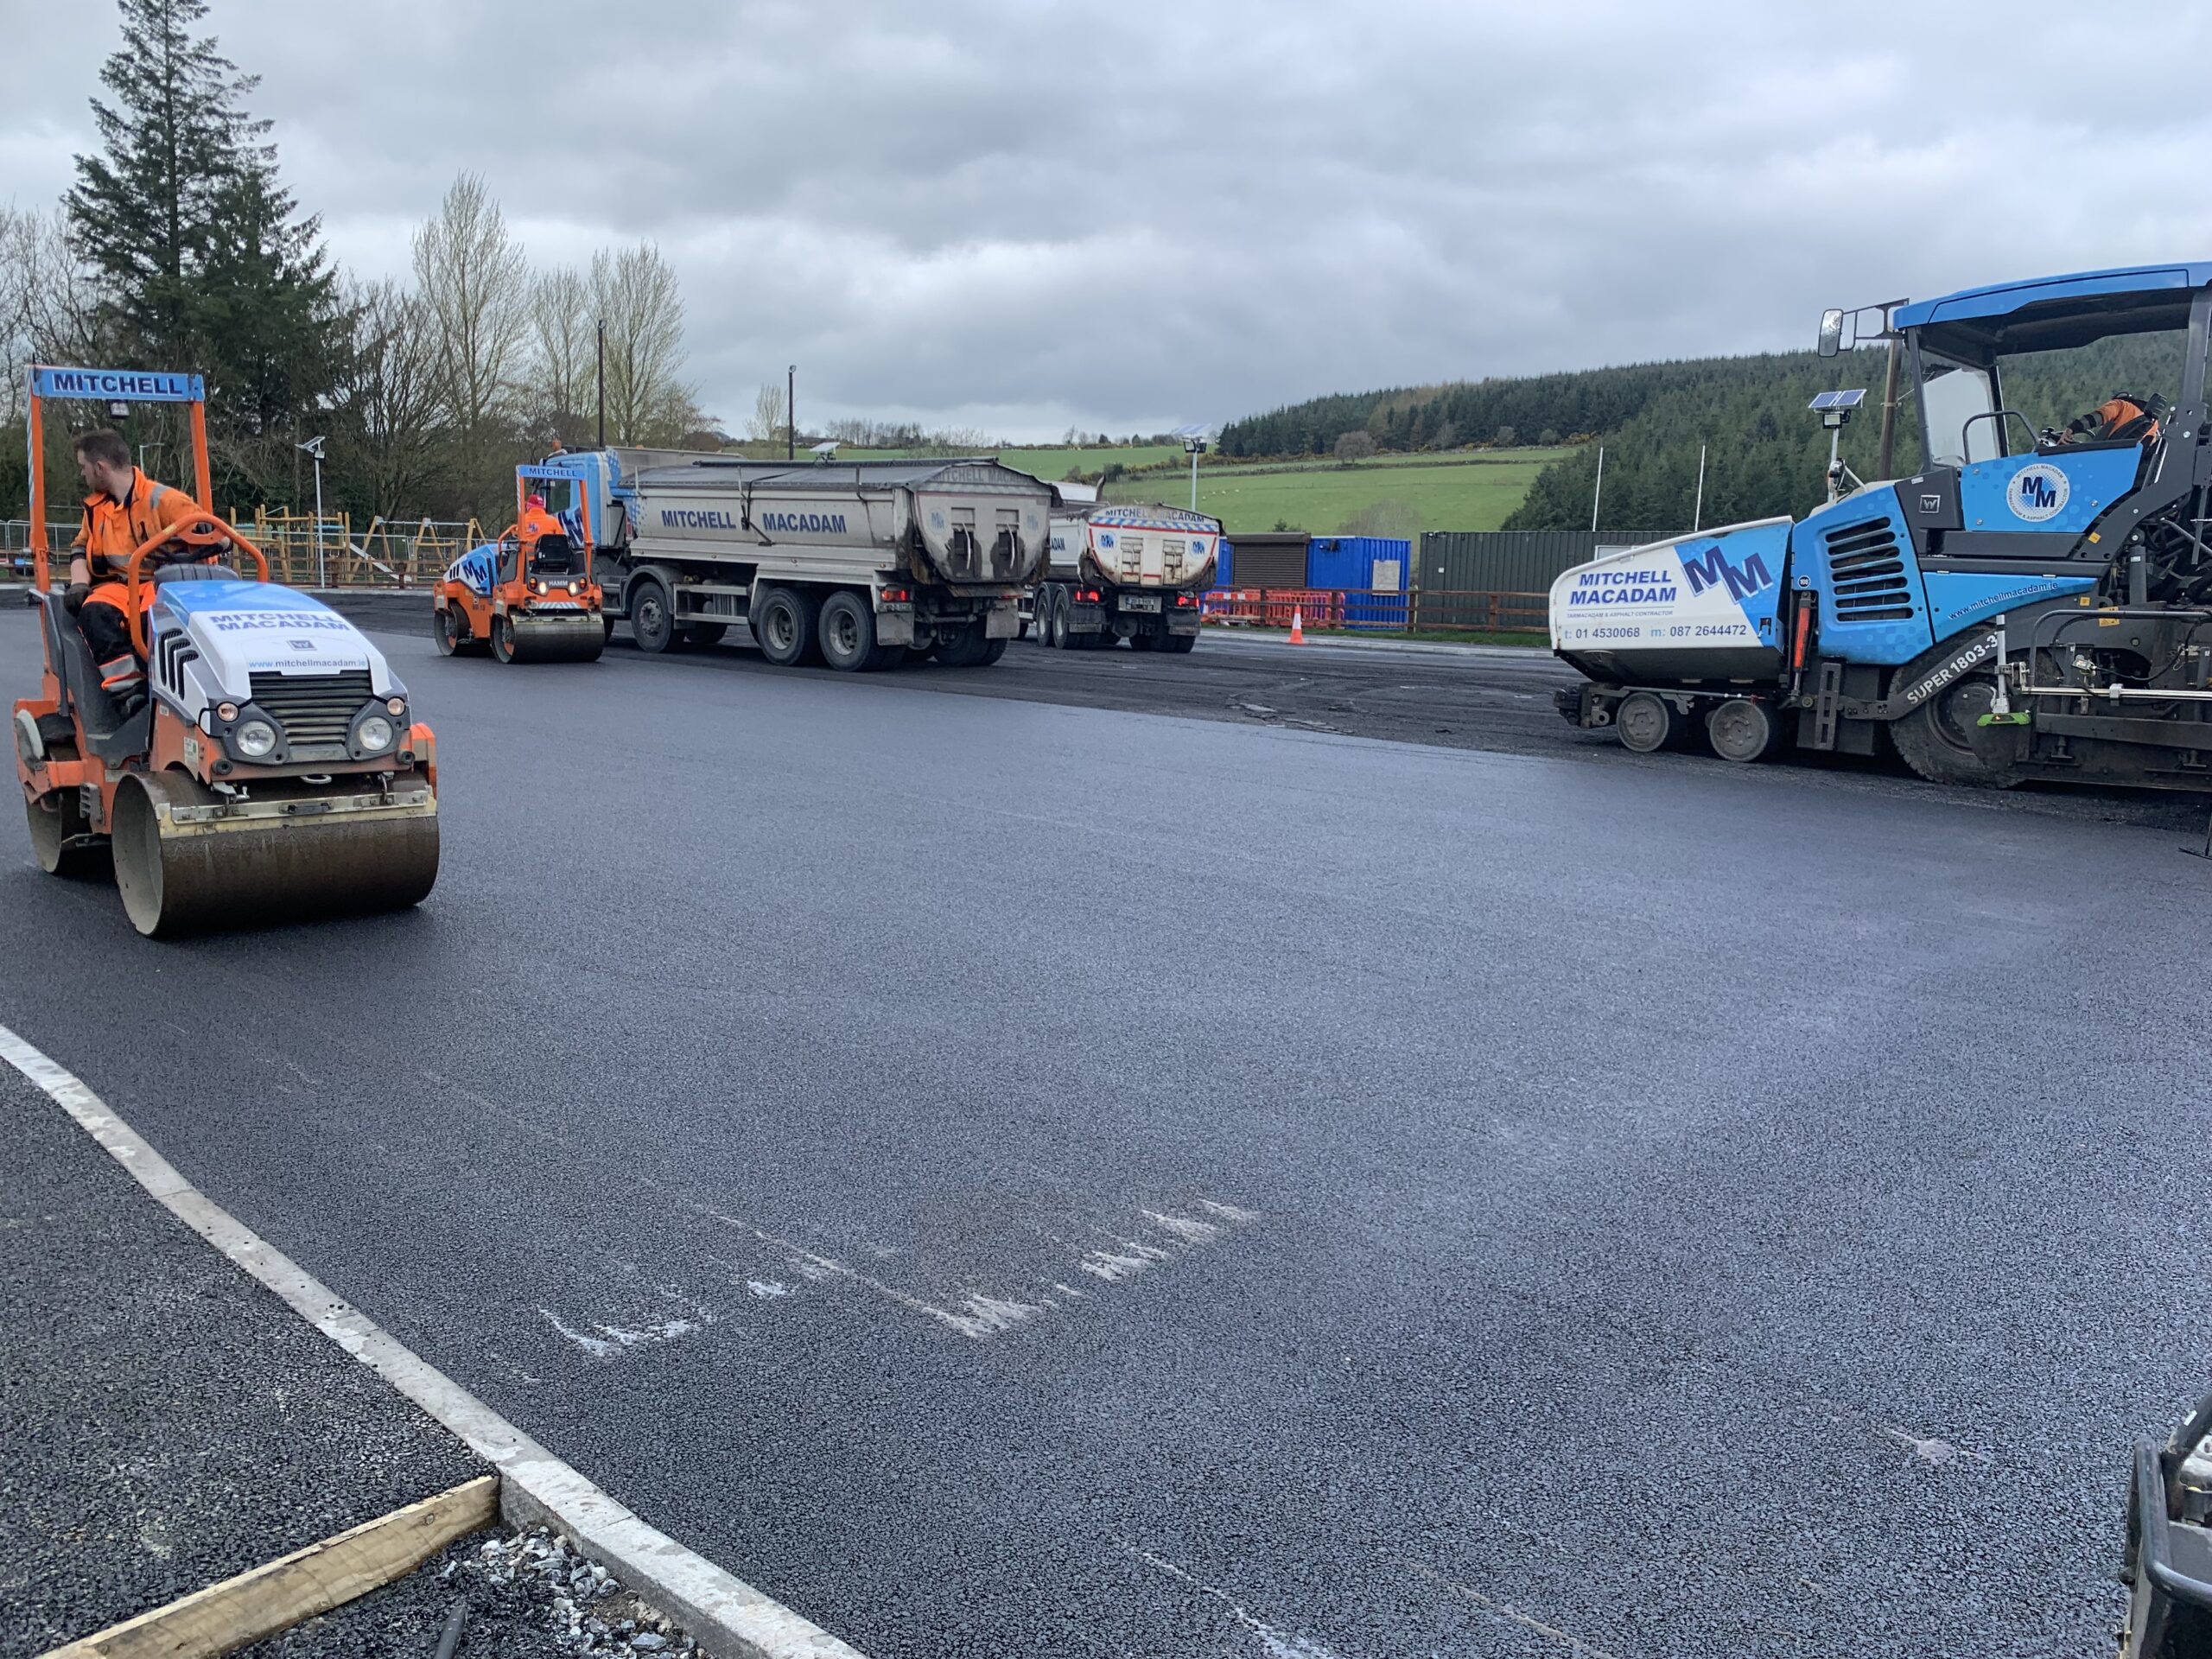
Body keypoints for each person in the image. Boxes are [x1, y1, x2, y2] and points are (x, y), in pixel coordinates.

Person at [60, 429, 207, 716]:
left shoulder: (164, 500)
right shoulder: (95, 509)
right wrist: (78, 584)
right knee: (93, 613)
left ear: (100, 467)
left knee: (153, 620)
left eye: (83, 467)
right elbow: (80, 548)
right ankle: (128, 693)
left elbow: (216, 538)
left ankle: (172, 692)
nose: (82, 474)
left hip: (160, 581)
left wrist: (202, 534)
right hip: (117, 586)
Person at [2060, 391, 2168, 446]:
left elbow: (2098, 417)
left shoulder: (2121, 405)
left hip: (2106, 455)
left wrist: (2072, 428)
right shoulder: (2153, 423)